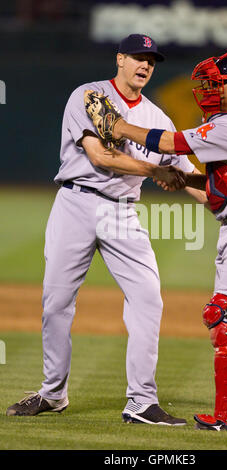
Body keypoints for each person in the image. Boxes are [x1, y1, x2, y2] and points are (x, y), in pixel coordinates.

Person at [6, 34, 207, 425]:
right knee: (57, 303)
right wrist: (155, 171)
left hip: (123, 213)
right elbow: (101, 155)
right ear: (120, 59)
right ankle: (53, 394)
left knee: (148, 298)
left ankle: (141, 402)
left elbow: (184, 174)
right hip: (76, 203)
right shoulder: (88, 94)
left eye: (151, 59)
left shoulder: (157, 118)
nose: (145, 65)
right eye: (137, 56)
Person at [98, 49, 227, 431]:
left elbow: (170, 143)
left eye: (216, 83)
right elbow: (224, 183)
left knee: (225, 319)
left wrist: (119, 127)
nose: (208, 90)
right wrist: (180, 179)